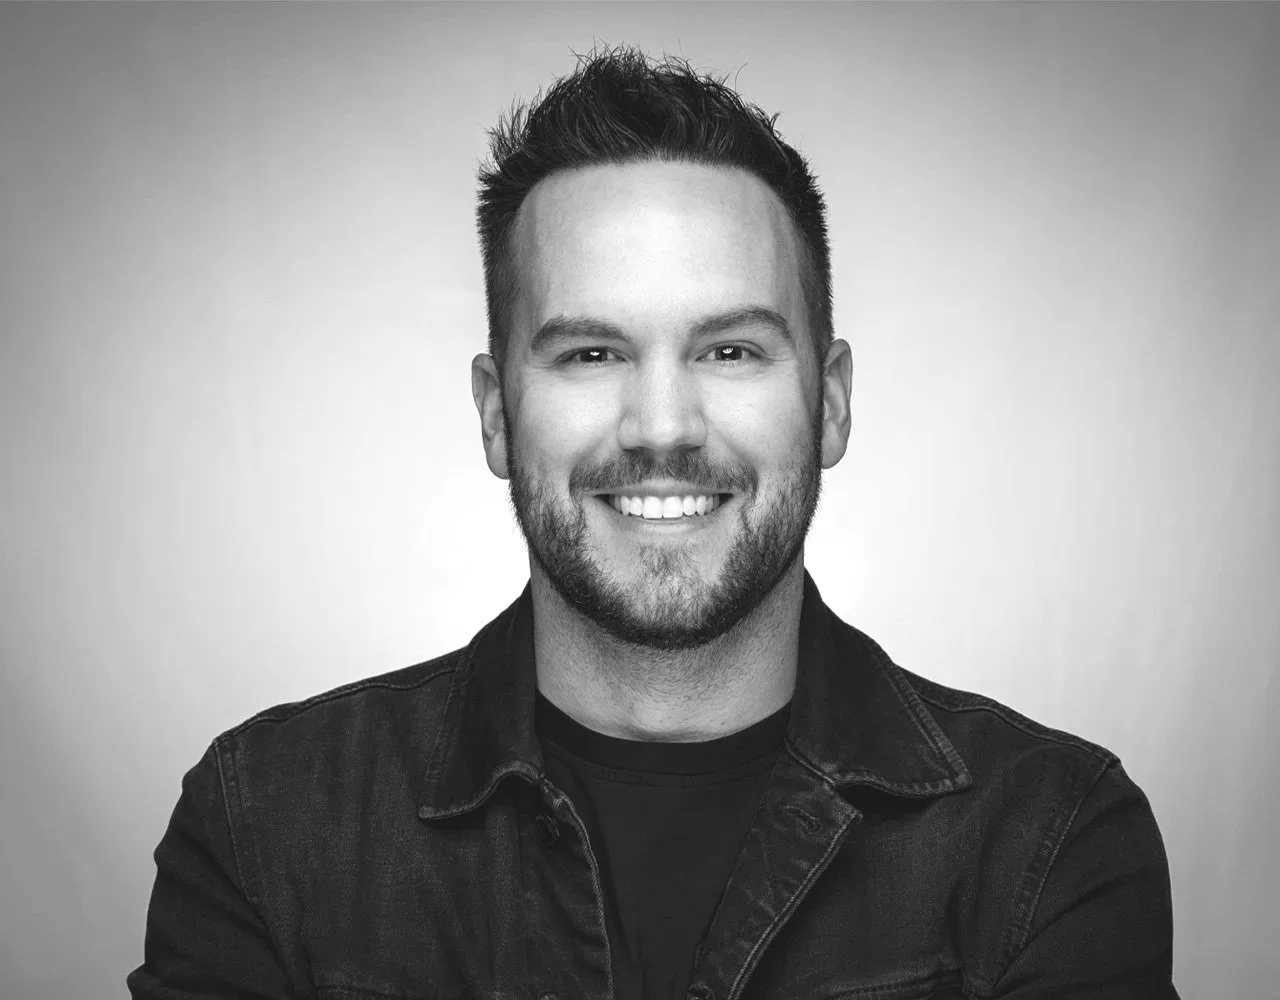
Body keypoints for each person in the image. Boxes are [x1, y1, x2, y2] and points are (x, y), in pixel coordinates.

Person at [129, 47, 1178, 1000]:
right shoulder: (268, 821)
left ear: (832, 403)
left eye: (729, 350)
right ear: (497, 414)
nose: (662, 427)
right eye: (590, 352)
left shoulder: (1047, 836)